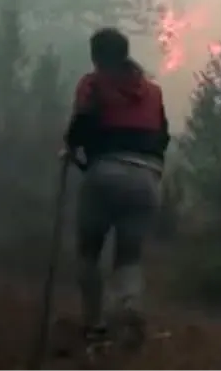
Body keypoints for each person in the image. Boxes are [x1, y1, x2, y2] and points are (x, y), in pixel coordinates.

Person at [62, 27, 170, 349]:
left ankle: (95, 327)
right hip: (147, 179)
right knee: (129, 257)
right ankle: (129, 307)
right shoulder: (154, 91)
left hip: (105, 173)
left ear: (96, 56)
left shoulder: (92, 84)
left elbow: (80, 125)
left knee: (88, 252)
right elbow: (163, 137)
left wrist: (69, 147)